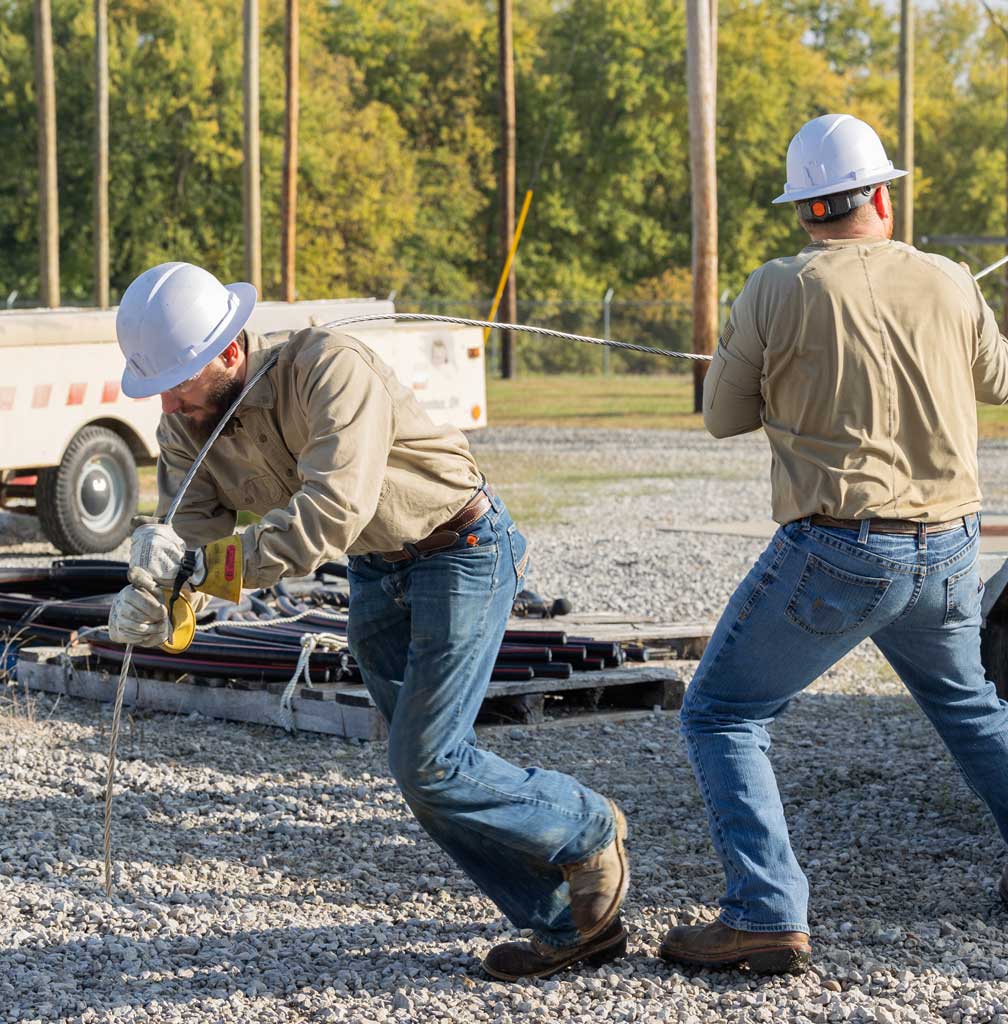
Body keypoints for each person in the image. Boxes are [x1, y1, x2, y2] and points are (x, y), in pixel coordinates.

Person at [106, 261, 630, 980]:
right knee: (422, 769)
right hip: (377, 570)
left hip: (461, 549)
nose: (167, 404)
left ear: (229, 353)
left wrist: (201, 572)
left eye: (179, 382)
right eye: (157, 385)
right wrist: (158, 601)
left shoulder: (329, 367)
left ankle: (587, 825)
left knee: (428, 763)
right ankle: (569, 926)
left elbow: (330, 513)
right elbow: (192, 543)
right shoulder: (187, 424)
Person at [659, 114, 1008, 975]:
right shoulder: (950, 278)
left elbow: (722, 417)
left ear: (805, 210)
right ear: (880, 197)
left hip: (843, 549)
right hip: (951, 545)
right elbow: (999, 380)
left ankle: (766, 912)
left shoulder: (779, 286)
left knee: (721, 715)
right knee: (971, 713)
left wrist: (769, 365)